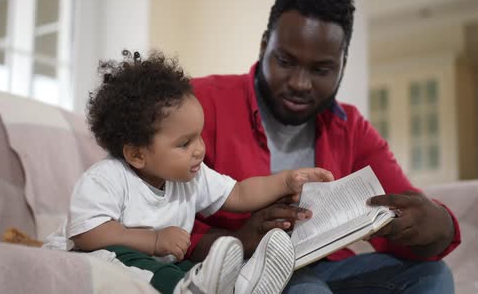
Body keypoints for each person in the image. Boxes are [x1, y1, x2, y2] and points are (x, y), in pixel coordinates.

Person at [189, 0, 462, 294]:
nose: (300, 83)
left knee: (433, 277)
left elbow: (407, 214)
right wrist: (239, 241)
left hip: (325, 269)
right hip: (237, 271)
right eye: (286, 61)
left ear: (342, 65)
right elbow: (155, 215)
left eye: (321, 70)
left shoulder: (351, 127)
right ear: (264, 46)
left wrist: (438, 225)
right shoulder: (200, 103)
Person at [44, 50, 334, 294]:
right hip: (93, 256)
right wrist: (154, 241)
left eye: (198, 136)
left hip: (158, 265)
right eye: (184, 143)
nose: (199, 149)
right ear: (136, 154)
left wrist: (287, 180)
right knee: (122, 256)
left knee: (186, 267)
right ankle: (192, 287)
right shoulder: (107, 178)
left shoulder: (191, 176)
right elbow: (88, 233)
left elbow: (240, 193)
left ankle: (240, 284)